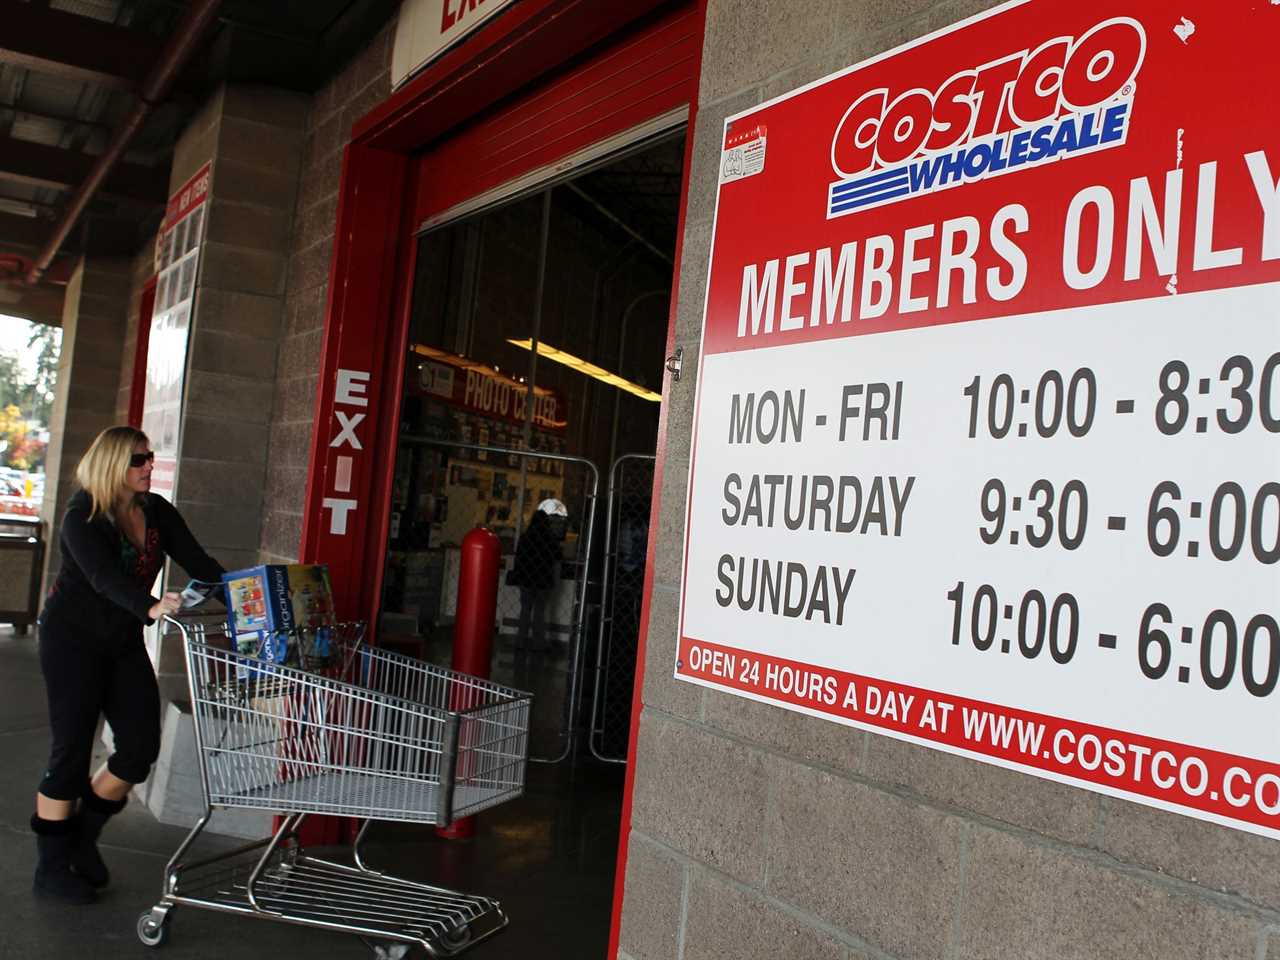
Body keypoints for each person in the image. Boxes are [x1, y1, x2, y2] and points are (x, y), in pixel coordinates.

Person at [31, 426, 224, 904]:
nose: (148, 465)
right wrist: (151, 606)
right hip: (71, 642)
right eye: (139, 459)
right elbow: (101, 578)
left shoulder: (155, 511)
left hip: (120, 642)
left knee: (139, 748)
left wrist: (254, 590)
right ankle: (51, 869)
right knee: (70, 755)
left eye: (150, 456)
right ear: (113, 462)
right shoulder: (84, 513)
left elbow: (200, 562)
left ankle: (82, 839)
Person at [507, 498, 568, 653]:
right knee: (540, 612)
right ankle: (538, 643)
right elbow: (558, 558)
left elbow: (519, 557)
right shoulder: (550, 539)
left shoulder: (525, 538)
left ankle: (520, 642)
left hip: (526, 579)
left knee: (525, 610)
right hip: (543, 580)